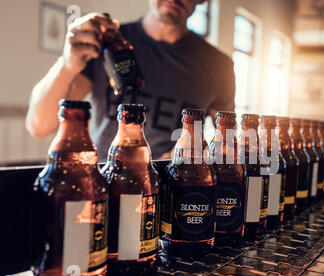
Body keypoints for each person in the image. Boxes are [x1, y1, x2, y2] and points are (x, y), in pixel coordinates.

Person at [26, 0, 235, 160]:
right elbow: (39, 126)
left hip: (167, 190)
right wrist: (67, 65)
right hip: (101, 184)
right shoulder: (107, 43)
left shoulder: (219, 66)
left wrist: (196, 154)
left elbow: (226, 143)